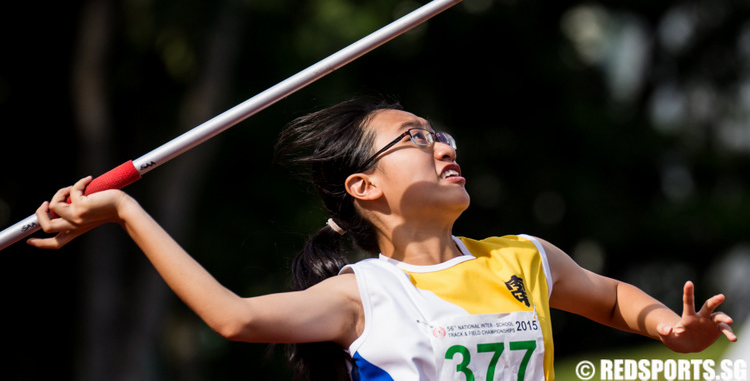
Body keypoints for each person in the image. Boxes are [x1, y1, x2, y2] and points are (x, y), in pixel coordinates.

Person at [29, 97, 737, 381]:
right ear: (364, 187)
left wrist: (668, 328)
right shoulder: (363, 296)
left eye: (442, 136)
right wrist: (124, 212)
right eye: (414, 139)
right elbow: (232, 317)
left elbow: (610, 299)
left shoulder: (523, 256)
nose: (442, 147)